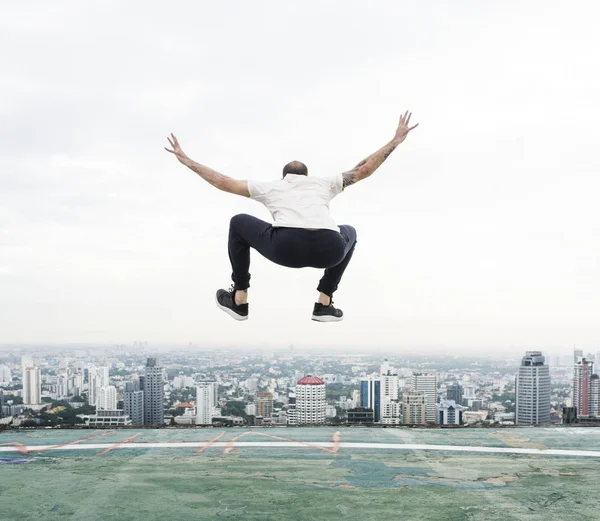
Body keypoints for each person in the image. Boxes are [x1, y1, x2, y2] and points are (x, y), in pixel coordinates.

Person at [165, 110, 418, 322]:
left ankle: (239, 299)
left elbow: (223, 182)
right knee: (349, 231)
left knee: (238, 222)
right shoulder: (324, 183)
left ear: (285, 176)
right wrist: (394, 141)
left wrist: (189, 162)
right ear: (305, 176)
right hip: (329, 249)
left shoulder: (271, 187)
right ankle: (324, 301)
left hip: (286, 247)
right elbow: (363, 169)